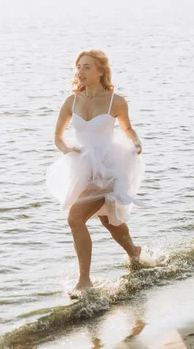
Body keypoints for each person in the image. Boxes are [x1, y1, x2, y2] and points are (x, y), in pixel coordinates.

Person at [46, 49, 144, 294]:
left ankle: (84, 281)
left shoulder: (116, 101)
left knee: (75, 218)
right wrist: (67, 150)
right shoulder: (71, 101)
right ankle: (134, 253)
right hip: (83, 167)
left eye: (87, 67)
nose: (80, 71)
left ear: (100, 71)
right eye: (78, 66)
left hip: (109, 168)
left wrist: (136, 142)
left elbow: (128, 128)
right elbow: (57, 137)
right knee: (107, 220)